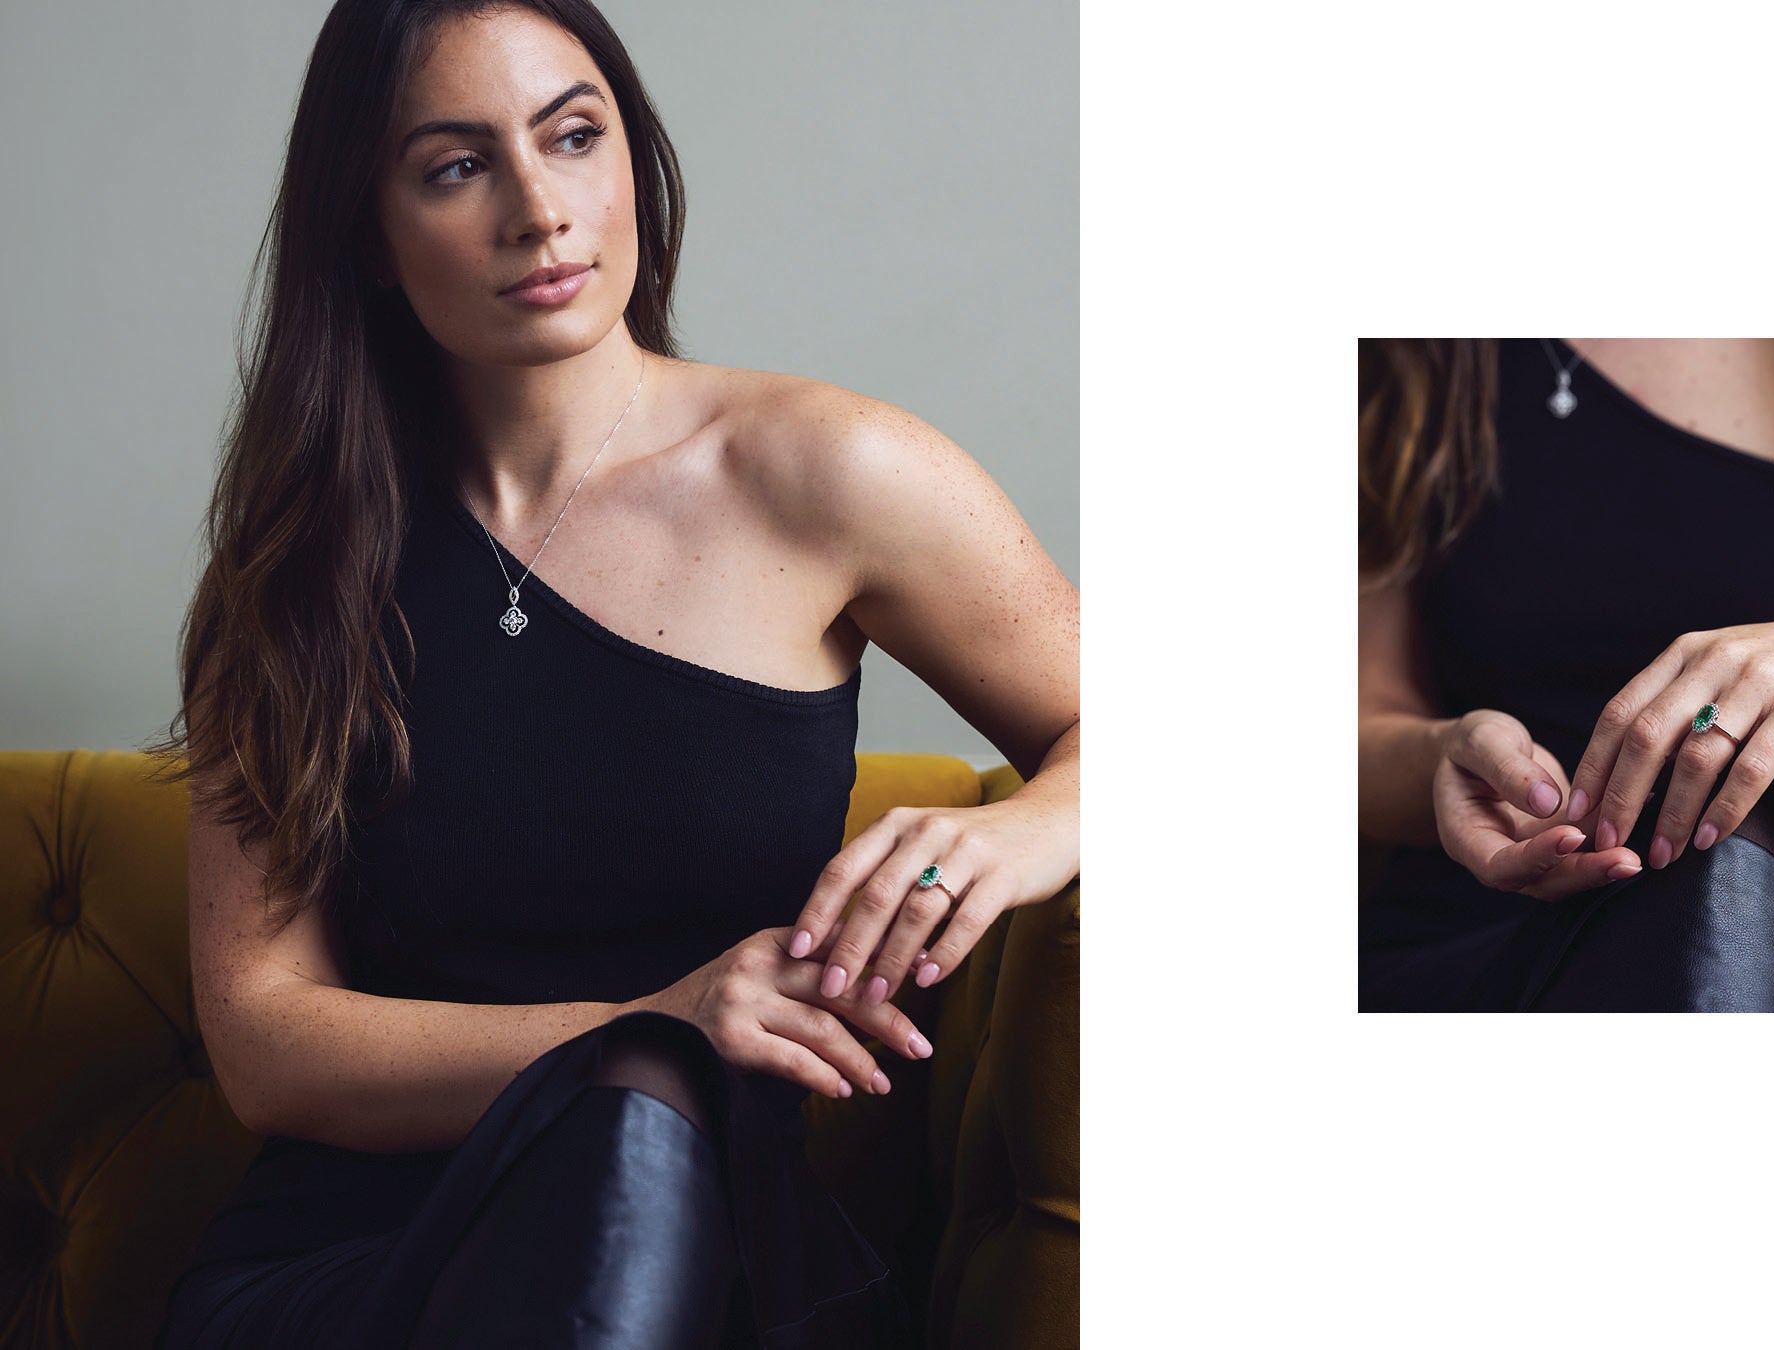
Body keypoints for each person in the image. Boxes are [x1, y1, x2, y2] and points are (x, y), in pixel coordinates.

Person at [145, 2, 1078, 1346]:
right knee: (642, 1075)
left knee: (645, 1122)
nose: (539, 209)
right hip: (348, 1268)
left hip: (703, 1251)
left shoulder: (828, 473)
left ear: (630, 156)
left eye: (573, 137)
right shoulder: (293, 566)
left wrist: (1027, 827)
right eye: (456, 166)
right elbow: (264, 1040)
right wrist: (657, 1020)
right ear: (369, 231)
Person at [1358, 338, 1774, 1013]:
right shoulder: (1411, 348)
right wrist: (1446, 750)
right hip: (1468, 932)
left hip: (1755, 911)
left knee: (1724, 881)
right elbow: (1367, 713)